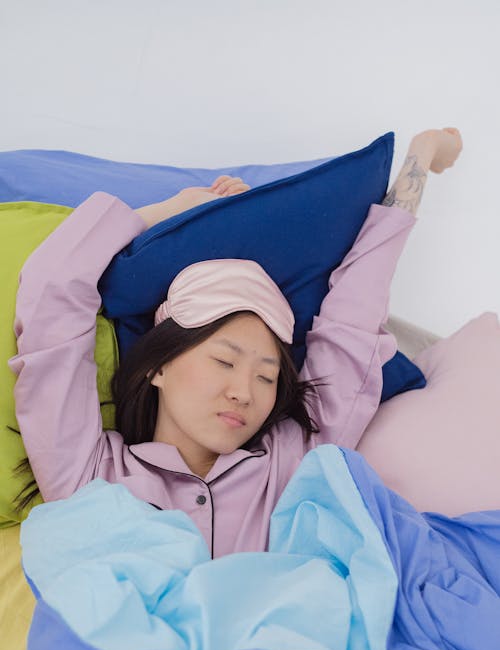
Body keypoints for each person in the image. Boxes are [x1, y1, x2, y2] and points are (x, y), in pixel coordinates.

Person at [9, 127, 462, 559]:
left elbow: (352, 322)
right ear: (157, 367)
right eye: (224, 362)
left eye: (266, 376)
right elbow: (52, 300)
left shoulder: (294, 464)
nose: (244, 392)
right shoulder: (89, 474)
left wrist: (420, 156)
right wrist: (169, 210)